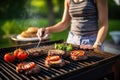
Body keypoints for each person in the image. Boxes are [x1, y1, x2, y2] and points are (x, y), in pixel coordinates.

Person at [37, 0, 108, 50]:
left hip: (91, 41)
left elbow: (104, 24)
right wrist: (47, 30)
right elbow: (64, 23)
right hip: (72, 40)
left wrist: (97, 45)